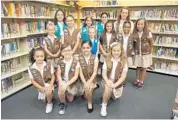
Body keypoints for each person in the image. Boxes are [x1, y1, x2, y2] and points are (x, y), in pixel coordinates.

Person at [100, 42, 128, 117]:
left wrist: (115, 85)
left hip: (117, 83)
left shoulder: (124, 61)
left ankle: (107, 95)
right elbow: (104, 74)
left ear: (121, 51)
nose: (116, 53)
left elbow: (123, 76)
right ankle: (104, 105)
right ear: (111, 51)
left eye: (118, 51)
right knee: (108, 87)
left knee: (114, 98)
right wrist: (108, 81)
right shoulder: (107, 59)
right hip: (107, 80)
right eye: (114, 50)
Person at [28, 47, 55, 113]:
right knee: (44, 100)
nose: (40, 58)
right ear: (34, 57)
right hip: (40, 85)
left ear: (44, 56)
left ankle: (49, 103)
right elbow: (33, 81)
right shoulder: (31, 68)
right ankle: (46, 95)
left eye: (41, 56)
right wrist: (41, 88)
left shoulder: (48, 64)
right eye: (37, 56)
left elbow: (53, 76)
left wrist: (51, 85)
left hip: (48, 83)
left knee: (48, 92)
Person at [57, 44, 82, 115]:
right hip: (64, 81)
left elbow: (76, 76)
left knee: (70, 100)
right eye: (64, 51)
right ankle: (62, 103)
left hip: (72, 81)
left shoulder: (76, 62)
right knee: (60, 90)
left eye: (69, 50)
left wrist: (67, 85)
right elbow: (58, 74)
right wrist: (61, 83)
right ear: (62, 52)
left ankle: (68, 92)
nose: (67, 52)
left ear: (72, 51)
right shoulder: (60, 62)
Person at [132, 18, 153, 88]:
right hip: (137, 53)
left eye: (142, 24)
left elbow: (151, 43)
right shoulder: (134, 33)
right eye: (138, 24)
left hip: (146, 53)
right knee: (138, 66)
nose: (140, 26)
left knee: (144, 67)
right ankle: (137, 79)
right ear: (136, 25)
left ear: (144, 25)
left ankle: (141, 81)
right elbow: (133, 43)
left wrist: (149, 50)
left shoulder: (148, 33)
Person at [79, 40, 99, 113]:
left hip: (92, 79)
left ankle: (89, 103)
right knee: (72, 98)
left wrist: (89, 82)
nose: (85, 50)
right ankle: (89, 90)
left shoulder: (95, 57)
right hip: (82, 79)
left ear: (91, 48)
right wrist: (85, 82)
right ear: (81, 48)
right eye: (83, 48)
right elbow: (80, 73)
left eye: (87, 47)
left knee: (88, 91)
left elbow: (95, 72)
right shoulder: (79, 57)